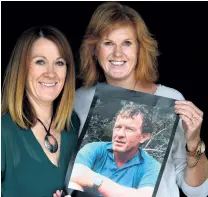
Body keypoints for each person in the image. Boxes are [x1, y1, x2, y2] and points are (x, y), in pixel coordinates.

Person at [54, 2, 208, 197]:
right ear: (94, 49)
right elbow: (68, 173)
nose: (117, 53)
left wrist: (194, 144)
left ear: (139, 49)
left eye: (127, 43)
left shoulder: (171, 100)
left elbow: (198, 192)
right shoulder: (78, 100)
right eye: (108, 43)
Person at [1, 25, 80, 197]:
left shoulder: (73, 124)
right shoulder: (3, 130)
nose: (51, 73)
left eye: (59, 63)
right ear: (22, 68)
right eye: (40, 62)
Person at [68, 103, 161, 197]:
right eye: (118, 127)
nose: (120, 134)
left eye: (129, 129)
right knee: (73, 184)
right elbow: (75, 172)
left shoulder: (152, 166)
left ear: (144, 137)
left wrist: (96, 181)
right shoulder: (95, 148)